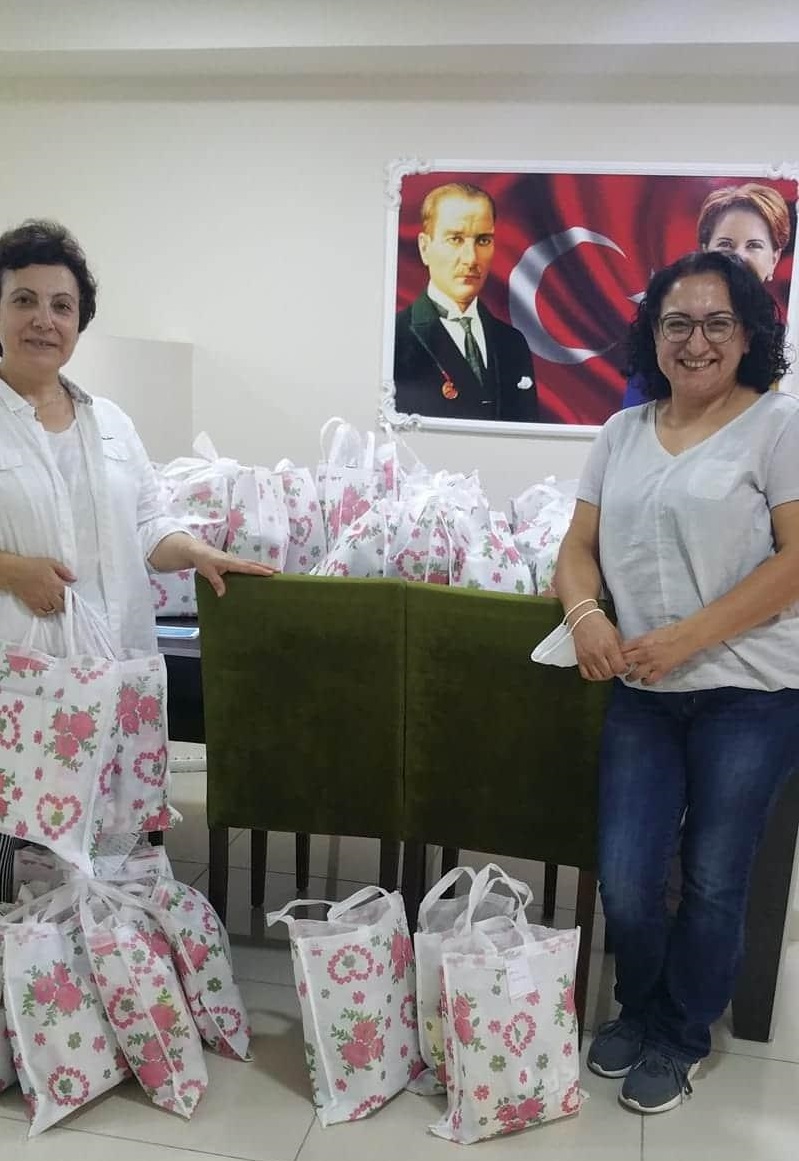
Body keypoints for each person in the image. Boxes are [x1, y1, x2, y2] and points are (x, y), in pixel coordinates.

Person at [554, 250, 799, 1115]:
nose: (696, 341)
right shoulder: (620, 432)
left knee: (712, 877)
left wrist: (686, 638)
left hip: (750, 691)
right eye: (677, 323)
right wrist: (585, 615)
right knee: (626, 874)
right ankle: (638, 1004)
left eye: (716, 322)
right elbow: (576, 547)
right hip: (642, 691)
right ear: (652, 335)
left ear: (748, 333)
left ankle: (681, 1032)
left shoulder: (777, 426)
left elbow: (795, 560)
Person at [0, 219, 274, 901]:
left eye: (62, 306)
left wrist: (197, 552)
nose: (44, 320)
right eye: (24, 300)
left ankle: (105, 965)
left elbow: (149, 524)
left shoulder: (111, 423)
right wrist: (10, 568)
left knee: (117, 866)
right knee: (23, 861)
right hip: (22, 681)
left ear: (79, 322)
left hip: (116, 670)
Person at [622, 182, 791, 407]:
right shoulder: (667, 336)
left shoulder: (790, 341)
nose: (739, 256)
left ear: (774, 259)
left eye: (754, 245)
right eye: (725, 244)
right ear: (704, 250)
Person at [393, 182, 538, 422]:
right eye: (455, 239)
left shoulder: (512, 343)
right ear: (424, 247)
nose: (471, 259)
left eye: (483, 240)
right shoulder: (395, 339)